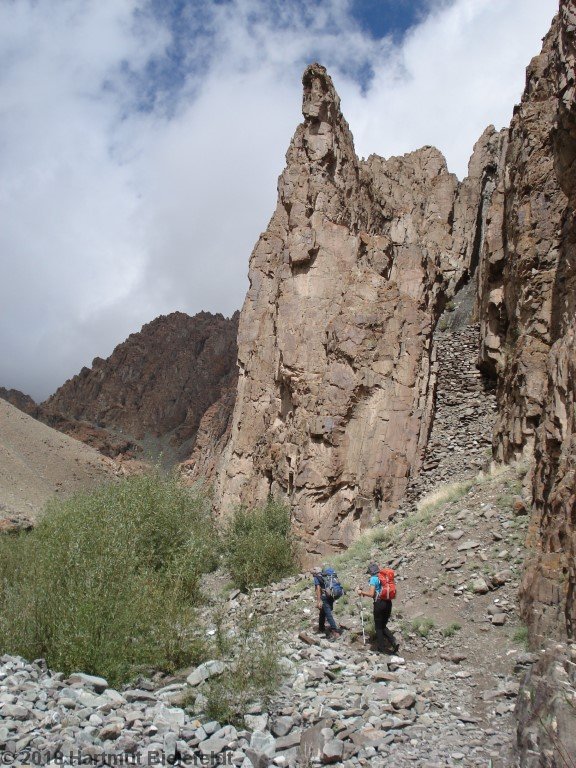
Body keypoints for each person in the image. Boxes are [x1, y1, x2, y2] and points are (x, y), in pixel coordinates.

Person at [357, 562, 399, 654]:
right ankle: (394, 641)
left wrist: (361, 592)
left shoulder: (373, 579)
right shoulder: (385, 577)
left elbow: (372, 594)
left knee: (378, 627)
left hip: (379, 603)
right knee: (383, 625)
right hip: (388, 603)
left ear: (371, 572)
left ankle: (381, 648)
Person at [312, 566, 343, 639]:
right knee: (323, 611)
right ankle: (321, 628)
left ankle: (334, 631)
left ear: (315, 573)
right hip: (331, 594)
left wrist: (318, 601)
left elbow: (318, 589)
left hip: (325, 596)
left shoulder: (316, 577)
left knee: (328, 613)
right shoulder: (327, 576)